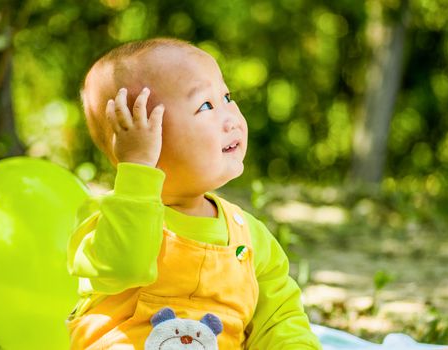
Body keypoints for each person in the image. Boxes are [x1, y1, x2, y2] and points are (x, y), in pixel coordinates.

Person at [66, 37, 321, 349]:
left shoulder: (249, 236)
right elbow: (126, 264)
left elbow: (279, 318)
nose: (230, 118)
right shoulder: (110, 219)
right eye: (205, 105)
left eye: (227, 97)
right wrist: (137, 171)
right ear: (141, 139)